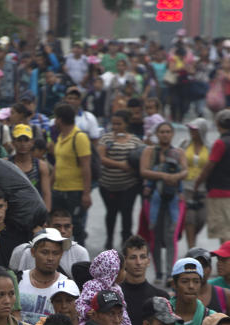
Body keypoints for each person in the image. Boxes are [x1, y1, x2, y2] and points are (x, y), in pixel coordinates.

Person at [140, 120, 188, 279]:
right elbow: (143, 170)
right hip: (153, 199)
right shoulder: (150, 151)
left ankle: (170, 273)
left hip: (174, 198)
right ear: (157, 134)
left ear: (172, 134)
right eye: (162, 132)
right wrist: (163, 175)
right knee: (154, 235)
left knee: (171, 236)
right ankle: (159, 273)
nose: (165, 135)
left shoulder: (178, 152)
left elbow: (185, 171)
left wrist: (174, 176)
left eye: (168, 132)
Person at [192, 109, 230, 245]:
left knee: (223, 231)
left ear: (217, 123)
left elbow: (209, 165)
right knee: (228, 228)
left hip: (218, 190)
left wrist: (198, 181)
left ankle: (229, 259)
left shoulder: (220, 143)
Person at [97, 111, 143, 250]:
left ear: (126, 124)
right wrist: (121, 165)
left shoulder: (135, 140)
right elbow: (101, 158)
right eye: (114, 123)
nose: (116, 126)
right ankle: (109, 238)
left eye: (119, 124)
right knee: (111, 212)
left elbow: (143, 158)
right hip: (108, 184)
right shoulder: (106, 139)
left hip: (129, 185)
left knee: (127, 213)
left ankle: (126, 241)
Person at [51, 102, 93, 246]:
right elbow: (58, 163)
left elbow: (86, 167)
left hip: (74, 191)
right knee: (56, 227)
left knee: (75, 226)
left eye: (56, 118)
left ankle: (80, 259)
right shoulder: (61, 137)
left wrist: (86, 194)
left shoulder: (79, 137)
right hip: (58, 190)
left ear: (61, 120)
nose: (55, 121)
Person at [8, 209, 89, 276]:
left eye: (67, 226)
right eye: (57, 226)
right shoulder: (23, 251)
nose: (63, 231)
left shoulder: (80, 252)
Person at [17, 228, 72, 325]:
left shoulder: (68, 286)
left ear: (61, 254)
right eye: (45, 252)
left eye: (55, 253)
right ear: (33, 252)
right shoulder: (18, 280)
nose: (50, 258)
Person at [170, 257, 214, 325]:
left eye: (196, 281)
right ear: (174, 285)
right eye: (185, 281)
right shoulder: (159, 315)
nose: (191, 286)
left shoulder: (212, 319)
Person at [120, 235, 169, 325]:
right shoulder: (115, 295)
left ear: (148, 261)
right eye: (133, 257)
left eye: (142, 257)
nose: (138, 262)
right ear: (124, 261)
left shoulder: (161, 297)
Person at [181, 118, 209, 249]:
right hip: (186, 187)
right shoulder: (185, 144)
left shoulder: (210, 147)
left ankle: (193, 237)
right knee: (189, 219)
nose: (192, 132)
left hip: (204, 188)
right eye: (191, 129)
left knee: (202, 218)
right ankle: (191, 247)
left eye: (195, 129)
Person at [10, 123, 52, 210]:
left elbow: (46, 193)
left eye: (26, 140)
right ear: (13, 143)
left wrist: (46, 215)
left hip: (34, 212)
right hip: (13, 212)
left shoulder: (41, 166)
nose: (23, 144)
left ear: (32, 142)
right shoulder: (7, 164)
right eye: (19, 140)